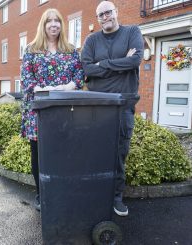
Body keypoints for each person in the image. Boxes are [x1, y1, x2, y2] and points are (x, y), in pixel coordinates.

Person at [81, 0, 143, 216]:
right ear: (97, 19)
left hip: (123, 105)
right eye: (101, 15)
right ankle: (96, 195)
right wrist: (119, 63)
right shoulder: (91, 40)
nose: (105, 17)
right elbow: (87, 68)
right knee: (95, 152)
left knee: (119, 154)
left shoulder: (132, 32)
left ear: (116, 12)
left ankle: (116, 197)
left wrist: (103, 65)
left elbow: (135, 60)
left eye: (108, 12)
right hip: (96, 105)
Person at [20, 8, 84, 211]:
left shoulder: (71, 50)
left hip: (65, 110)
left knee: (65, 153)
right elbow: (27, 80)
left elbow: (79, 76)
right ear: (43, 24)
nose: (54, 24)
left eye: (57, 21)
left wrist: (67, 87)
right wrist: (44, 89)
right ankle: (42, 194)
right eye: (50, 21)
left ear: (62, 25)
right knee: (39, 154)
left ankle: (63, 192)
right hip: (39, 111)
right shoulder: (31, 49)